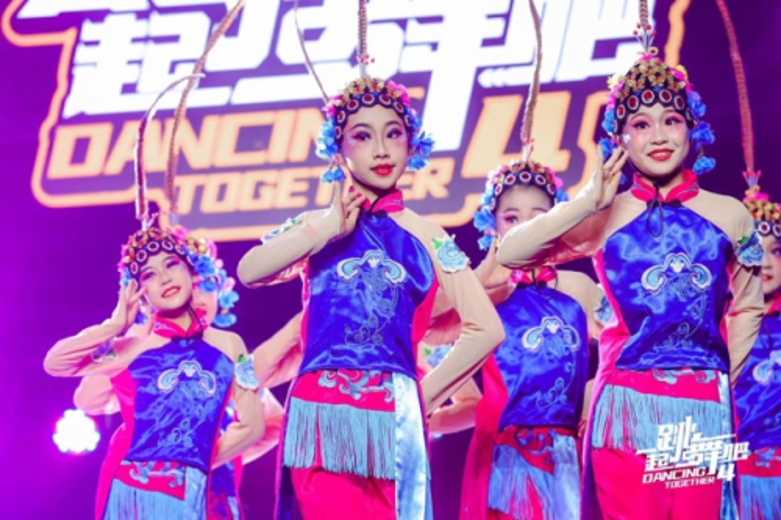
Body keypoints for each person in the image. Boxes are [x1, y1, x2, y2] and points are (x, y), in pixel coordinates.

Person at [495, 8, 763, 519]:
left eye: (671, 121)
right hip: (626, 406)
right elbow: (511, 254)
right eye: (640, 124)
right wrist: (585, 201)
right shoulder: (606, 215)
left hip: (702, 402)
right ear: (619, 139)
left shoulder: (729, 214)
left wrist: (720, 377)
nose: (658, 136)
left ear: (691, 128)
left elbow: (748, 306)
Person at [44, 226, 265, 519]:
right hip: (130, 491)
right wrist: (115, 325)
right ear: (140, 292)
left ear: (191, 271)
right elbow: (56, 363)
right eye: (149, 274)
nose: (164, 278)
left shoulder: (229, 345)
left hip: (191, 489)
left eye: (171, 264)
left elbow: (253, 427)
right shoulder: (131, 349)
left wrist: (198, 460)